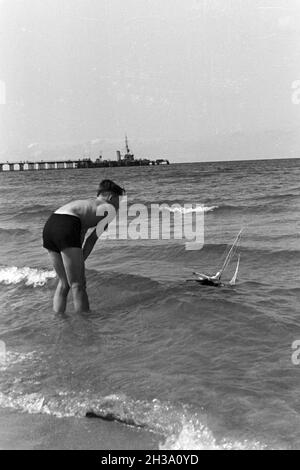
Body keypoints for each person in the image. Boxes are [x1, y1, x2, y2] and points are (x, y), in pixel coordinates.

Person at [42, 179, 125, 314]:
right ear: (111, 197)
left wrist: (78, 261)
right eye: (119, 200)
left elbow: (79, 234)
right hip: (67, 226)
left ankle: (58, 319)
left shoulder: (85, 205)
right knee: (78, 285)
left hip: (50, 225)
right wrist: (80, 261)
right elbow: (91, 240)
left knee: (64, 283)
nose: (119, 205)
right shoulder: (109, 210)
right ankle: (84, 325)